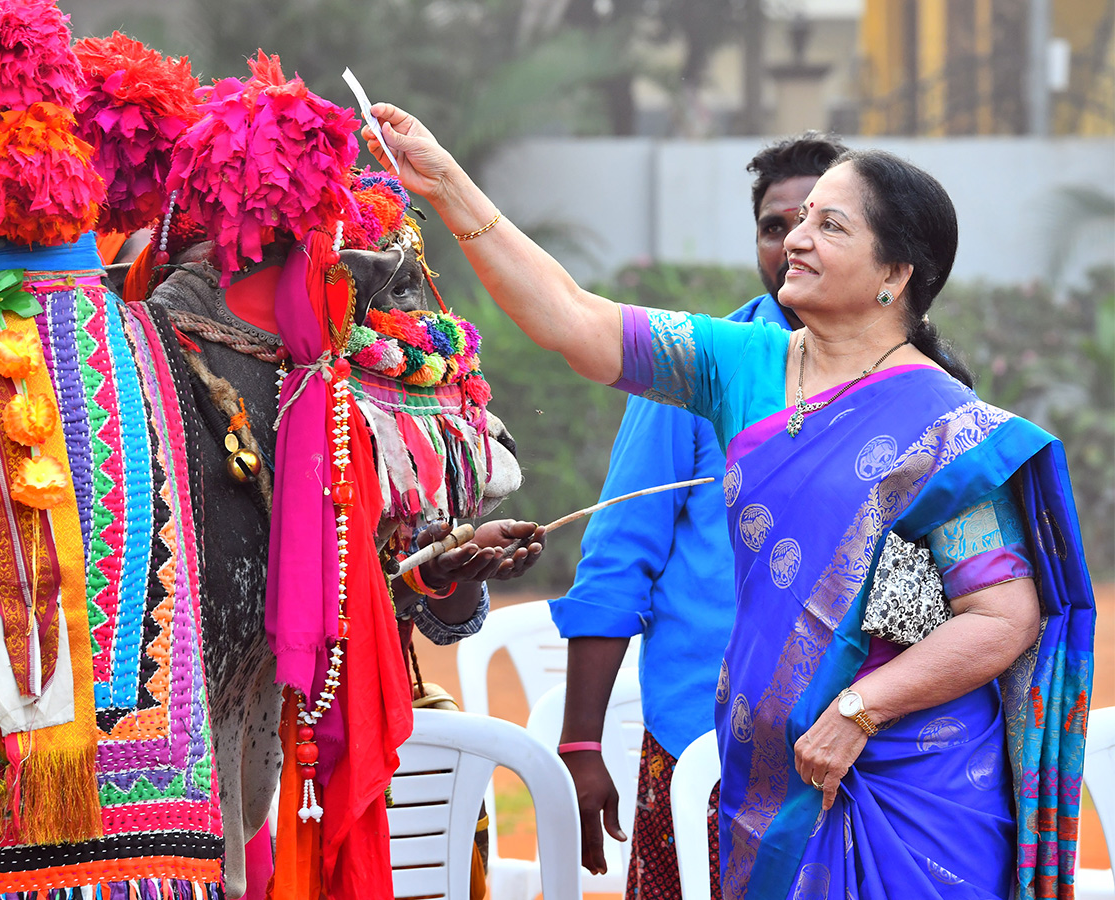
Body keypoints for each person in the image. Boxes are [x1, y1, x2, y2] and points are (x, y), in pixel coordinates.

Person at [360, 105, 1096, 900]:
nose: (798, 240)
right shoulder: (739, 364)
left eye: (831, 226)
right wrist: (447, 185)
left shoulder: (947, 426)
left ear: (896, 275)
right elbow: (572, 318)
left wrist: (858, 710)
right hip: (769, 773)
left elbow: (1002, 616)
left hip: (913, 789)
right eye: (798, 220)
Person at [549, 132, 846, 898]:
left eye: (823, 224)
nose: (793, 244)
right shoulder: (695, 368)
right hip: (703, 747)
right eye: (775, 226)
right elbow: (618, 560)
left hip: (856, 748)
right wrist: (582, 743)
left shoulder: (913, 382)